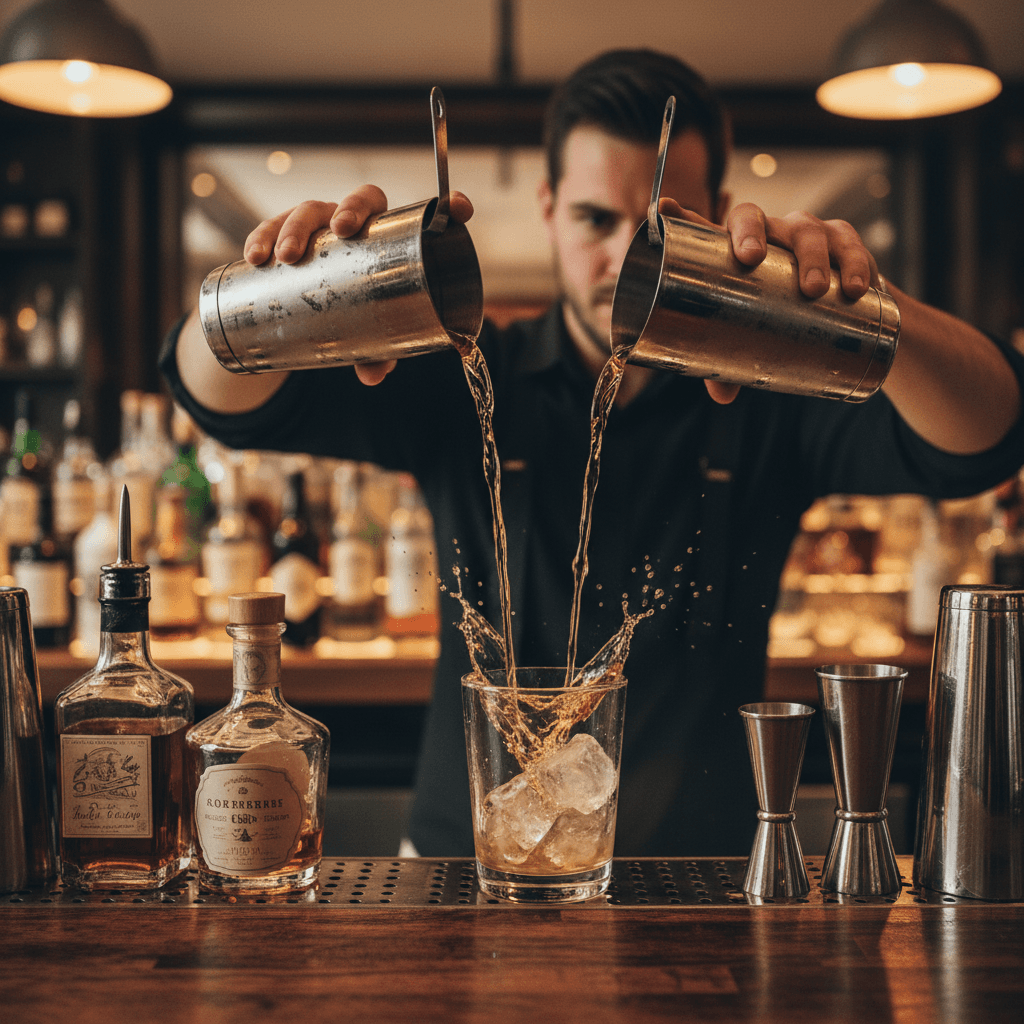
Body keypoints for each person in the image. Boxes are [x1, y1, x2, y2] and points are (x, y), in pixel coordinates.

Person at [163, 49, 1024, 857]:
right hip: (465, 868)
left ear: (717, 218)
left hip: (703, 879)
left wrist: (873, 308)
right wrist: (280, 284)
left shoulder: (767, 387)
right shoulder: (468, 371)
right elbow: (221, 401)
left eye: (654, 223)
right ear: (547, 207)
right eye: (592, 218)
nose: (619, 254)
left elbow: (985, 442)